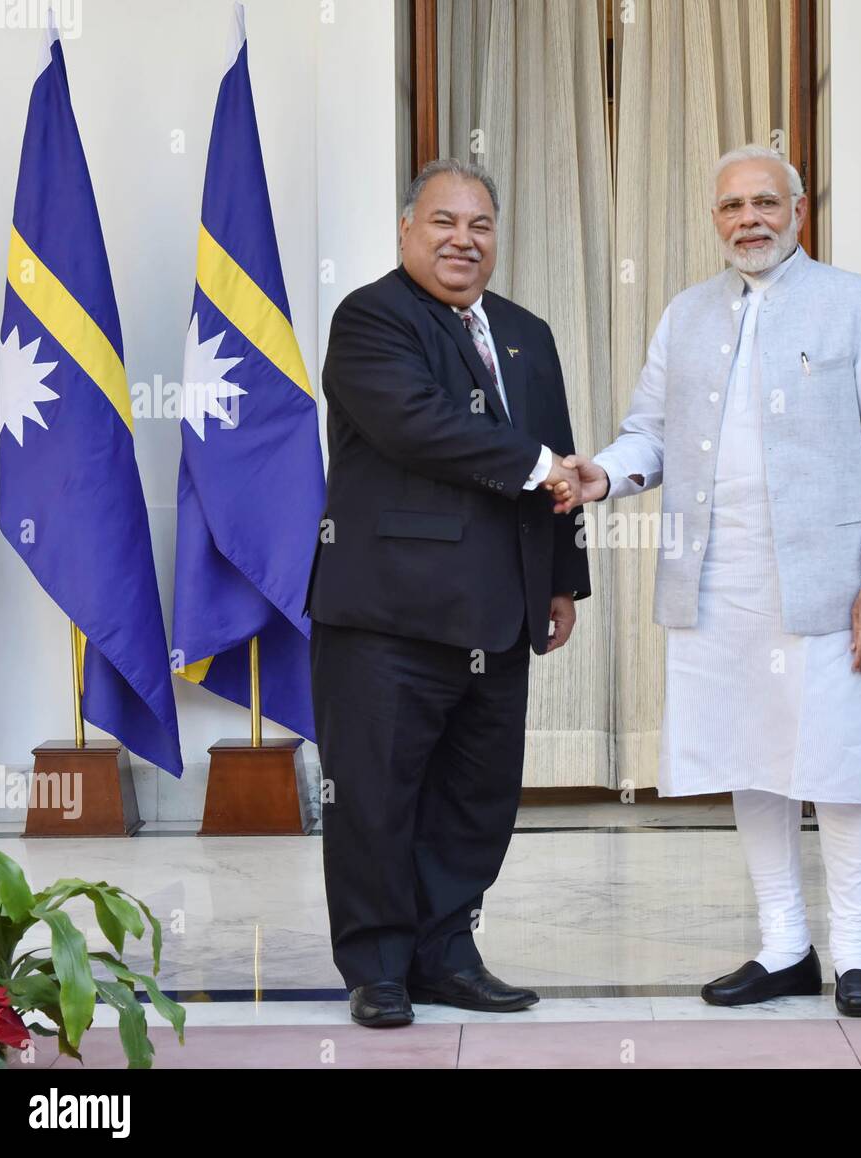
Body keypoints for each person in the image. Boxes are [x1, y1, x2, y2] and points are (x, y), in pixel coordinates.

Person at [553, 144, 861, 1016]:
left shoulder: (852, 304)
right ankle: (785, 946)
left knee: (836, 761)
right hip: (716, 582)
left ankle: (859, 955)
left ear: (798, 210)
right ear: (714, 220)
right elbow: (648, 432)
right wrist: (603, 474)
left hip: (830, 582)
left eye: (765, 202)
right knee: (749, 756)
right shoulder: (685, 316)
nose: (748, 219)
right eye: (730, 207)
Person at [306, 158, 591, 1027]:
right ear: (406, 231)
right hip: (386, 618)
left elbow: (561, 453)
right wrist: (541, 465)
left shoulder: (525, 332)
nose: (463, 240)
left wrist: (563, 579)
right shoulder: (370, 319)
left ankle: (447, 954)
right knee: (376, 797)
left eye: (480, 226)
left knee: (477, 799)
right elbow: (418, 426)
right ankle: (379, 968)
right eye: (443, 222)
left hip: (501, 614)